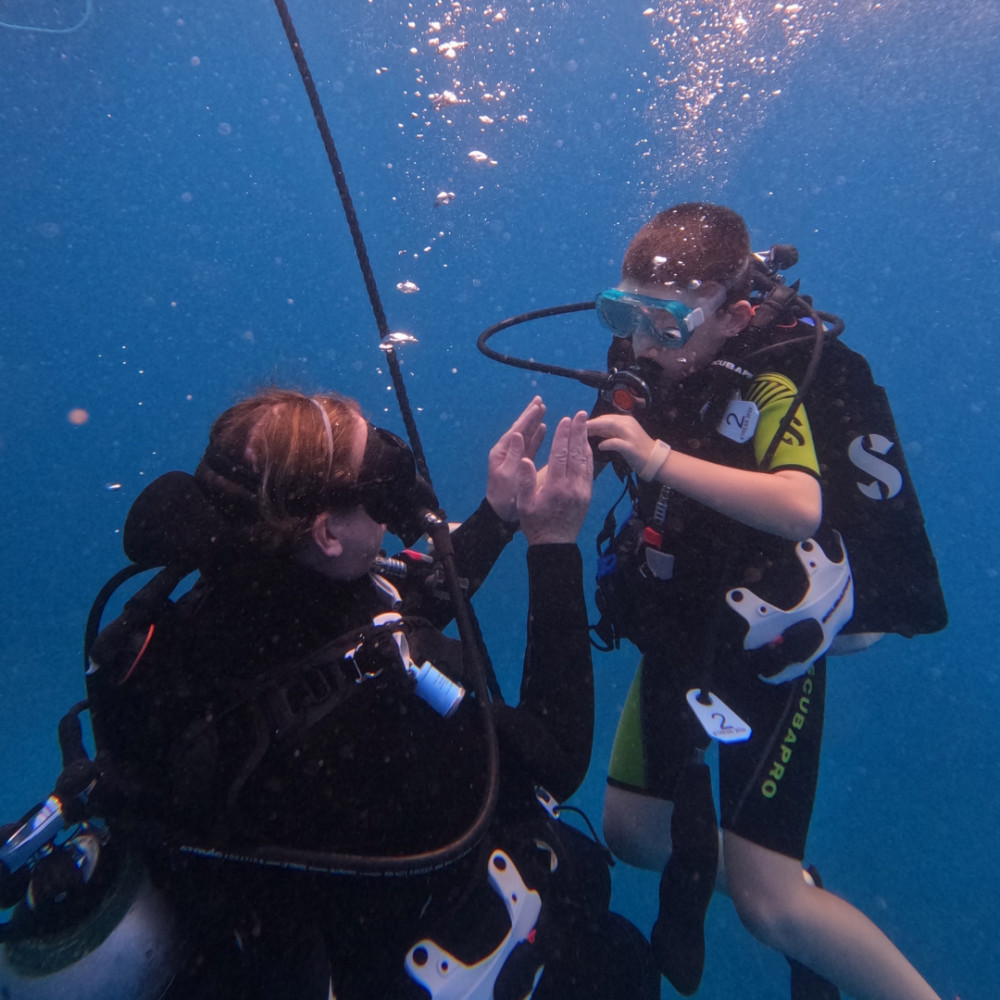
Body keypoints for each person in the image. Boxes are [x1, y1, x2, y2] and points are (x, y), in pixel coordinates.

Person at [52, 387, 657, 999]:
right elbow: (554, 756)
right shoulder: (394, 696)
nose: (398, 499)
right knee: (619, 951)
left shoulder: (198, 616)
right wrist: (552, 544)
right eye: (379, 484)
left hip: (289, 926)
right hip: (396, 952)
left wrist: (497, 516)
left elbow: (371, 620)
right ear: (327, 535)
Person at [586, 203, 946, 999]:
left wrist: (658, 458)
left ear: (737, 315)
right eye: (625, 314)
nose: (643, 344)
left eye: (668, 324)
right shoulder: (649, 367)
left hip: (766, 647)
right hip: (684, 631)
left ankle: (804, 903)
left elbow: (798, 506)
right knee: (631, 831)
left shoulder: (773, 379)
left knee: (766, 906)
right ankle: (783, 875)